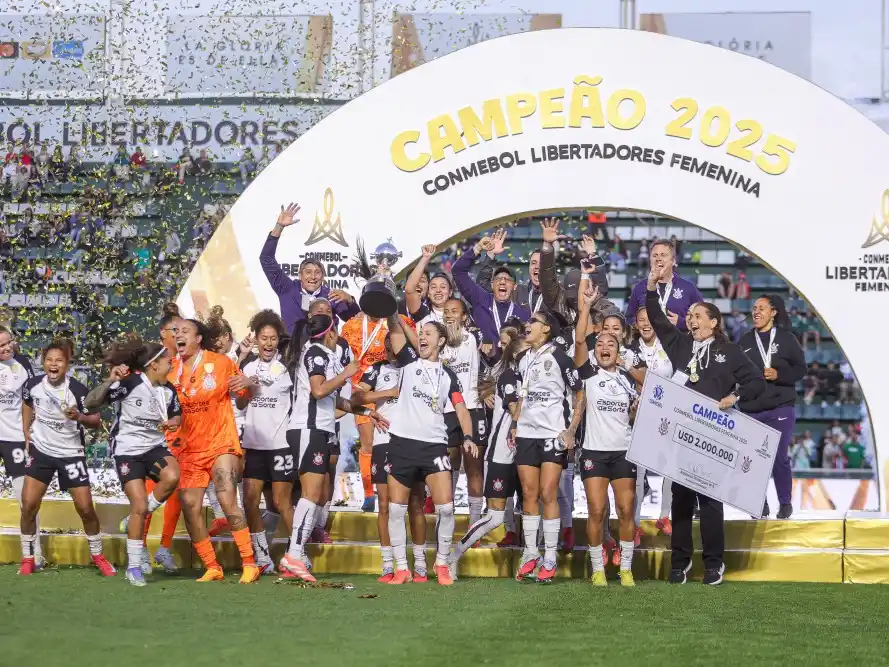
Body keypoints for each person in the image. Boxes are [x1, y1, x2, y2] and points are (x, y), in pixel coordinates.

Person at [645, 267, 765, 585]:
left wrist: (734, 396)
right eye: (690, 315)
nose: (692, 319)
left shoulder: (730, 351)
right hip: (681, 437)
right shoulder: (682, 347)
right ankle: (680, 562)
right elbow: (657, 321)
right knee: (682, 502)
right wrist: (650, 289)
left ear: (713, 322)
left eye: (698, 315)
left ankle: (713, 562)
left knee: (711, 503)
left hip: (714, 439)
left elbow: (755, 381)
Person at [280, 314, 387, 582]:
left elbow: (335, 398)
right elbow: (318, 391)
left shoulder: (322, 355)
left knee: (313, 494)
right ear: (331, 333)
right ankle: (294, 553)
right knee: (310, 494)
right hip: (308, 429)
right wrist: (346, 373)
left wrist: (365, 411)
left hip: (318, 429)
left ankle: (296, 553)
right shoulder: (316, 353)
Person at [382, 314, 478, 585]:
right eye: (420, 333)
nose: (422, 337)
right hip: (402, 443)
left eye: (428, 333)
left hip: (435, 445)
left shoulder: (449, 375)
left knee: (446, 508)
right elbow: (394, 328)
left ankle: (442, 564)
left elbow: (461, 408)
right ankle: (402, 568)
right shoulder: (409, 363)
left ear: (441, 341)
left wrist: (468, 436)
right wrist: (390, 305)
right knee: (397, 509)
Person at [84, 339, 182, 586]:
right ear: (153, 364)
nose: (172, 363)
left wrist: (174, 423)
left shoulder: (169, 390)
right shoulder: (129, 384)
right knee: (138, 504)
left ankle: (137, 516)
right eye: (167, 360)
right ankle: (134, 567)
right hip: (127, 450)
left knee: (172, 477)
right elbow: (90, 403)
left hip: (154, 447)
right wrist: (109, 380)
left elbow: (177, 415)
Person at [169, 318, 260, 583]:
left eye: (186, 331)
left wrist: (247, 383)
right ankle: (212, 566)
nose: (179, 335)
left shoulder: (219, 363)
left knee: (227, 498)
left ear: (198, 338)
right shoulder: (171, 370)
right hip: (189, 449)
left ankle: (249, 563)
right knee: (190, 506)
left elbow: (245, 397)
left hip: (221, 442)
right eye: (177, 332)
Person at [19, 340, 116, 576]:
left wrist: (78, 417)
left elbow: (95, 421)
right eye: (49, 360)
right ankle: (27, 559)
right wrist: (26, 431)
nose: (53, 365)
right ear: (43, 362)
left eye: (59, 361)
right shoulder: (32, 385)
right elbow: (27, 403)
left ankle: (98, 556)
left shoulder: (78, 390)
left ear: (67, 365)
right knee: (29, 505)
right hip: (41, 451)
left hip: (71, 454)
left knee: (85, 508)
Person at [575, 274, 639, 587]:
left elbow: (644, 402)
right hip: (595, 452)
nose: (604, 346)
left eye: (610, 343)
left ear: (619, 348)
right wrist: (585, 308)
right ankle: (598, 568)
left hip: (624, 451)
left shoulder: (628, 378)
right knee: (597, 511)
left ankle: (626, 568)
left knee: (627, 510)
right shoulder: (588, 372)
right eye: (599, 343)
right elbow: (578, 341)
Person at [511, 311, 584, 583]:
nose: (527, 325)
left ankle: (550, 557)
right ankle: (531, 553)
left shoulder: (560, 357)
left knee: (547, 493)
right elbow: (522, 397)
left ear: (546, 330)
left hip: (552, 434)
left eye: (533, 322)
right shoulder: (522, 359)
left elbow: (579, 394)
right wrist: (515, 424)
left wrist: (571, 430)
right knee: (529, 494)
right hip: (527, 434)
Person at [352, 330, 429, 582]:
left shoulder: (419, 367)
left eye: (396, 349)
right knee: (385, 505)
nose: (392, 353)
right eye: (388, 349)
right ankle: (389, 565)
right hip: (384, 443)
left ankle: (419, 565)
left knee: (416, 503)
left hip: (414, 441)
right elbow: (356, 398)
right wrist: (388, 393)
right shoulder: (377, 370)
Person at [448, 324, 524, 579]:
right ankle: (455, 554)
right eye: (525, 351)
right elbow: (516, 410)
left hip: (530, 450)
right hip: (502, 452)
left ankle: (534, 561)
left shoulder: (540, 376)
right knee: (495, 517)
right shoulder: (509, 377)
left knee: (536, 507)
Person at [738, 295, 807, 519]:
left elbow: (801, 369)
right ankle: (759, 503)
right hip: (751, 410)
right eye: (754, 308)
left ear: (773, 312)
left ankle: (785, 503)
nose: (756, 312)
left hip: (780, 407)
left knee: (779, 455)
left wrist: (780, 375)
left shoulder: (787, 339)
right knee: (753, 459)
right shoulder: (745, 342)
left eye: (761, 308)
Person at [236, 309, 294, 575]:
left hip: (281, 444)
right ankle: (262, 555)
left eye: (272, 338)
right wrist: (245, 389)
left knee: (281, 504)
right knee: (249, 501)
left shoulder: (285, 367)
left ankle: (297, 553)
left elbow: (269, 381)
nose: (268, 343)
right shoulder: (247, 366)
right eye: (263, 338)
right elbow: (239, 401)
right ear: (256, 340)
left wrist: (252, 381)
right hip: (254, 444)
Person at [259, 203, 360, 333]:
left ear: (323, 276)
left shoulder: (331, 296)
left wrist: (350, 300)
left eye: (317, 272)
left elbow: (355, 321)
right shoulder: (287, 288)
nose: (313, 277)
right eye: (308, 272)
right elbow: (266, 259)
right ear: (300, 275)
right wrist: (279, 227)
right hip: (293, 350)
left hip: (325, 350)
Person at [440, 298, 488, 524]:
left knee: (474, 469)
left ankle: (474, 522)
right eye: (446, 311)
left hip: (472, 409)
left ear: (464, 317)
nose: (449, 315)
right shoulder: (437, 342)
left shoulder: (474, 338)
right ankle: (445, 519)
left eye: (455, 311)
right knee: (447, 468)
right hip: (446, 412)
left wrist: (490, 389)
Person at [0, 326, 43, 569]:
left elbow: (32, 399)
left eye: (9, 342)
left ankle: (34, 553)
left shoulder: (23, 364)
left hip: (15, 437)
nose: (7, 348)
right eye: (1, 345)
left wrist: (30, 431)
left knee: (25, 497)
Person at [633, 307, 674, 536]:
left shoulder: (669, 346)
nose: (646, 324)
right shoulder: (630, 347)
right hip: (639, 416)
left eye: (649, 320)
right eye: (641, 320)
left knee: (669, 468)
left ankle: (664, 516)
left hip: (666, 415)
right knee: (638, 474)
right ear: (636, 323)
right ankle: (636, 524)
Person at [451, 232, 531, 344]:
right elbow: (458, 271)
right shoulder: (480, 299)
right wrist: (478, 248)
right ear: (492, 284)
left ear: (514, 287)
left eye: (508, 279)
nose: (502, 281)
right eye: (498, 279)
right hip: (482, 361)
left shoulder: (524, 315)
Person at [625, 239, 702, 332]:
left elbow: (702, 319)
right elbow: (629, 319)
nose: (658, 259)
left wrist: (681, 322)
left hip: (679, 344)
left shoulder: (688, 288)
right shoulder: (639, 288)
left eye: (663, 255)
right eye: (654, 255)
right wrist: (642, 325)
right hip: (648, 344)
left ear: (673, 261)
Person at [404, 244, 454, 325]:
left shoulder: (459, 313)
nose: (438, 290)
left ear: (450, 292)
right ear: (428, 293)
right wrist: (425, 258)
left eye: (443, 287)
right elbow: (409, 289)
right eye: (433, 287)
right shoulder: (423, 314)